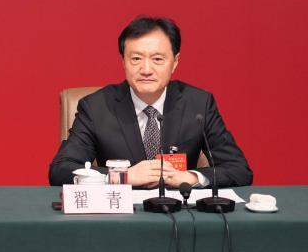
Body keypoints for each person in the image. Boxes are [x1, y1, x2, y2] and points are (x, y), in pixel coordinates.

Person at [49, 16, 252, 188]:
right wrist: (121, 177)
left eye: (157, 59)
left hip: (179, 214)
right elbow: (61, 170)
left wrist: (190, 177)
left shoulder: (198, 104)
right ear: (123, 62)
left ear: (175, 62)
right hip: (120, 214)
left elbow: (239, 170)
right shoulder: (96, 107)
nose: (146, 70)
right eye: (136, 59)